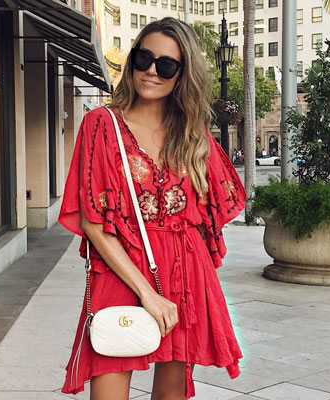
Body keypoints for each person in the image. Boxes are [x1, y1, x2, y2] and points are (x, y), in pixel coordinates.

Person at [59, 17, 245, 400]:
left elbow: (213, 210)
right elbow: (94, 222)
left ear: (182, 74)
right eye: (144, 58)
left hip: (183, 271)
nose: (152, 71)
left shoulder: (193, 136)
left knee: (170, 395)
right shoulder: (101, 124)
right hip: (121, 269)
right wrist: (147, 293)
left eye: (167, 65)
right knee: (108, 388)